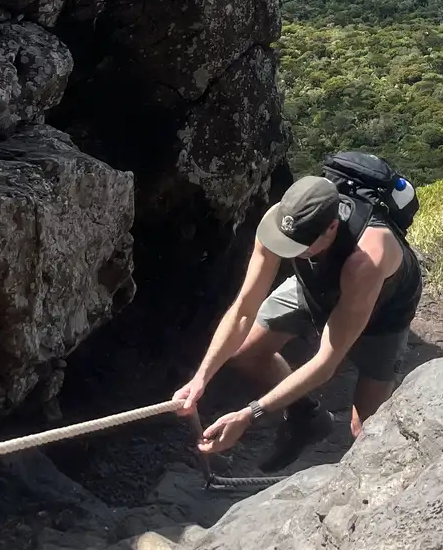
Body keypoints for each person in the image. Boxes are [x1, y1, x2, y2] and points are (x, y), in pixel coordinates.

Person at [172, 173, 422, 469]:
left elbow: (327, 362)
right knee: (246, 353)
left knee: (365, 429)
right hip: (315, 284)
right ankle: (308, 417)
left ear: (332, 227)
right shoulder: (278, 222)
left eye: (299, 247)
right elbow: (243, 310)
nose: (288, 249)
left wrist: (250, 414)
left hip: (384, 311)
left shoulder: (368, 256)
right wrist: (200, 378)